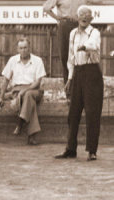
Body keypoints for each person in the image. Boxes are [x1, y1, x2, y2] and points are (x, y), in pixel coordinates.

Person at [55, 5, 103, 161]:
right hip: (77, 73)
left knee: (92, 113)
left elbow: (94, 45)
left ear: (91, 18)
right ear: (77, 17)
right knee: (73, 113)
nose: (83, 17)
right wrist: (69, 79)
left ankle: (92, 151)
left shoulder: (94, 32)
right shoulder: (73, 34)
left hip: (92, 73)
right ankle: (70, 149)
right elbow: (70, 58)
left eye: (86, 15)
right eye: (81, 14)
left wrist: (84, 47)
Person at [0, 37, 46, 145]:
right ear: (17, 49)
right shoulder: (13, 60)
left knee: (28, 94)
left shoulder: (37, 60)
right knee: (28, 99)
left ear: (30, 48)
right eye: (21, 48)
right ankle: (31, 136)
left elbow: (37, 82)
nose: (23, 50)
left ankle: (20, 122)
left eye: (25, 47)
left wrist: (25, 90)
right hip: (17, 91)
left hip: (34, 90)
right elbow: (6, 79)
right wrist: (1, 97)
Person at [43, 0, 105, 85]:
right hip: (65, 24)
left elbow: (99, 1)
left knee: (82, 55)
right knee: (65, 56)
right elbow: (46, 8)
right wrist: (58, 18)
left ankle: (82, 89)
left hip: (80, 24)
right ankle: (69, 90)